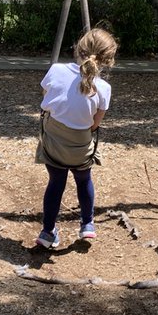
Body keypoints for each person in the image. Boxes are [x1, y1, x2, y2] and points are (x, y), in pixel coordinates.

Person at [35, 28, 117, 248]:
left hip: (53, 145)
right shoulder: (104, 88)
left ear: (77, 49)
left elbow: (47, 100)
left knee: (56, 183)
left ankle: (48, 231)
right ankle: (88, 224)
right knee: (84, 180)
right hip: (80, 149)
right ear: (107, 60)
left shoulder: (55, 70)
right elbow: (94, 124)